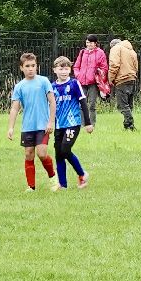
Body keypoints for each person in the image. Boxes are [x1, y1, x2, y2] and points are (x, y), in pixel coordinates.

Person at [7, 52, 57, 191]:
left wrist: (50, 122)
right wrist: (11, 127)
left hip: (43, 126)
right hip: (28, 127)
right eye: (27, 66)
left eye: (33, 65)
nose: (31, 69)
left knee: (42, 153)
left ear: (37, 66)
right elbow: (15, 108)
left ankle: (53, 177)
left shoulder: (43, 81)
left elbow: (52, 102)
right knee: (29, 154)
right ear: (21, 68)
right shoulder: (19, 86)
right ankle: (31, 186)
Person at [50, 56, 91, 190]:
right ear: (54, 70)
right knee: (59, 154)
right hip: (59, 125)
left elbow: (83, 102)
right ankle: (63, 185)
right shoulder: (52, 87)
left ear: (70, 70)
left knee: (65, 149)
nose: (64, 72)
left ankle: (82, 174)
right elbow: (49, 106)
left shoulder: (74, 84)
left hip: (73, 123)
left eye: (66, 69)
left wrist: (88, 123)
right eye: (61, 69)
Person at [72, 35, 109, 129]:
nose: (89, 44)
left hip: (93, 83)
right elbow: (76, 66)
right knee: (81, 103)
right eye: (87, 42)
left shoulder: (100, 53)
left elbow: (104, 68)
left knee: (92, 104)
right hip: (82, 82)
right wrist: (78, 75)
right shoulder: (82, 52)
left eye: (91, 42)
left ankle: (92, 124)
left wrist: (97, 74)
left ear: (95, 43)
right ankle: (81, 124)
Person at [108, 35, 139, 131]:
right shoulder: (131, 50)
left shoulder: (116, 49)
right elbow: (136, 66)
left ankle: (129, 124)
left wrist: (110, 79)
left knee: (122, 105)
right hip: (132, 78)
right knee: (129, 104)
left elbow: (114, 65)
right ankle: (128, 125)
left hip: (121, 79)